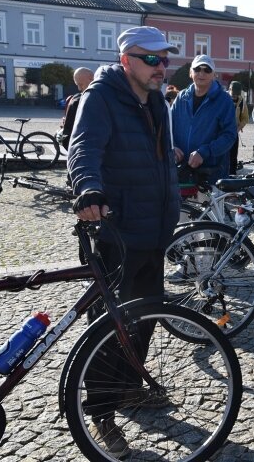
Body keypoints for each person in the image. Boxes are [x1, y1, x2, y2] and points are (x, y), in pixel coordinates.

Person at [67, 25, 180, 458]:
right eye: (152, 59)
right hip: (118, 232)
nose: (161, 67)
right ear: (127, 60)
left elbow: (158, 155)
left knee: (145, 316)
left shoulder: (157, 101)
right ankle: (101, 413)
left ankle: (129, 387)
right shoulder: (101, 97)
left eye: (164, 59)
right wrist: (88, 188)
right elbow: (83, 149)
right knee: (109, 325)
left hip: (155, 229)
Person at [170, 55, 237, 182]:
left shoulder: (224, 100)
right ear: (191, 72)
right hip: (181, 171)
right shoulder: (181, 98)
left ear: (214, 75)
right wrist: (172, 146)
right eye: (197, 69)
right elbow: (168, 127)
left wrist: (204, 152)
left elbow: (229, 135)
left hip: (211, 174)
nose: (201, 73)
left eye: (207, 70)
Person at [58, 67, 94, 150]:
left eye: (81, 84)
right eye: (77, 85)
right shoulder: (78, 99)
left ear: (91, 79)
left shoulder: (78, 101)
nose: (79, 88)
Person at [229, 81, 249, 174]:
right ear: (229, 90)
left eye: (236, 94)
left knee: (233, 156)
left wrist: (239, 127)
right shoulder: (223, 98)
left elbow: (245, 118)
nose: (234, 96)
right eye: (233, 94)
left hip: (234, 132)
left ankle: (232, 175)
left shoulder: (241, 101)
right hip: (221, 132)